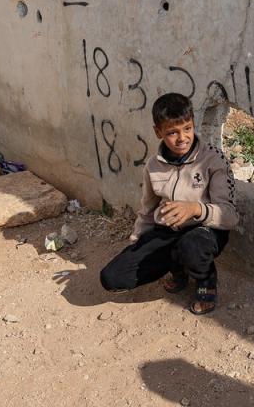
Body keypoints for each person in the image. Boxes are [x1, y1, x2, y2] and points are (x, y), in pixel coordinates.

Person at [99, 92, 239, 314]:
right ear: (158, 132)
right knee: (112, 277)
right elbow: (147, 210)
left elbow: (230, 216)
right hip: (167, 232)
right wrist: (137, 241)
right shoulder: (153, 166)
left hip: (205, 231)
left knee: (192, 245)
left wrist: (195, 209)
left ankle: (206, 281)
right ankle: (178, 270)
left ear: (193, 123)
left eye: (187, 128)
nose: (182, 138)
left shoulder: (213, 159)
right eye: (172, 132)